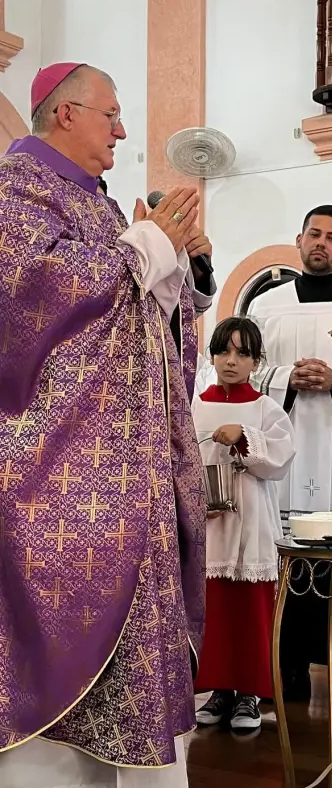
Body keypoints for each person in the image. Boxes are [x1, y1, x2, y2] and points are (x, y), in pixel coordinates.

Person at [0, 63, 210, 786]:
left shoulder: (100, 208)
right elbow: (30, 296)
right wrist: (151, 248)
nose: (122, 131)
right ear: (66, 114)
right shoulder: (18, 191)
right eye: (111, 114)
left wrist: (175, 266)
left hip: (130, 478)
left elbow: (144, 328)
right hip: (62, 479)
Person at [248, 205, 332, 705]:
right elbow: (238, 370)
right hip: (287, 451)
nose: (322, 243)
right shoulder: (266, 307)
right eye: (314, 234)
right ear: (300, 240)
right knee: (290, 558)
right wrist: (285, 378)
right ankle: (288, 668)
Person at [193, 317, 295, 732]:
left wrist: (244, 436)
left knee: (250, 608)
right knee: (214, 609)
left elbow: (282, 458)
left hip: (252, 520)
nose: (231, 361)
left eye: (242, 353)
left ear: (256, 361)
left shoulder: (266, 408)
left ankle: (250, 694)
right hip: (210, 523)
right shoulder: (195, 403)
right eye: (223, 351)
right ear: (212, 356)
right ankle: (218, 690)